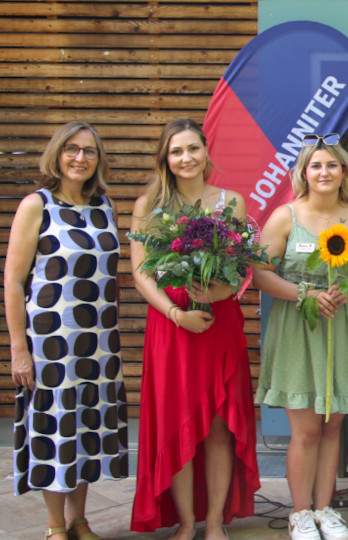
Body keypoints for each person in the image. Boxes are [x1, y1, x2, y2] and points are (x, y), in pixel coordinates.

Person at [130, 119, 260, 540]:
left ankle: (216, 522)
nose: (185, 158)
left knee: (221, 424)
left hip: (218, 321)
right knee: (177, 424)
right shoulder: (150, 205)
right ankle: (187, 522)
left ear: (206, 152)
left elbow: (241, 266)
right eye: (175, 151)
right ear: (165, 159)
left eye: (192, 149)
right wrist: (175, 313)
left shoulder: (230, 202)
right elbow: (141, 273)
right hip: (173, 326)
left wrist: (217, 293)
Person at [5, 121, 128, 540]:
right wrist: (19, 349)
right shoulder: (37, 205)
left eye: (89, 151)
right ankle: (55, 525)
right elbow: (14, 280)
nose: (80, 158)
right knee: (53, 427)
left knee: (87, 426)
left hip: (97, 343)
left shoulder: (104, 205)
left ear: (99, 159)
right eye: (72, 150)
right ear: (57, 153)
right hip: (52, 341)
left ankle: (79, 519)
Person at [254, 133, 348, 540]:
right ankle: (300, 513)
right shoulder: (284, 216)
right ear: (303, 173)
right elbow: (260, 274)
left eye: (332, 165)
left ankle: (326, 509)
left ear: (344, 170)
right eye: (316, 165)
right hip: (297, 328)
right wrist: (305, 293)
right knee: (305, 430)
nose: (324, 172)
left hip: (340, 329)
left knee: (332, 427)